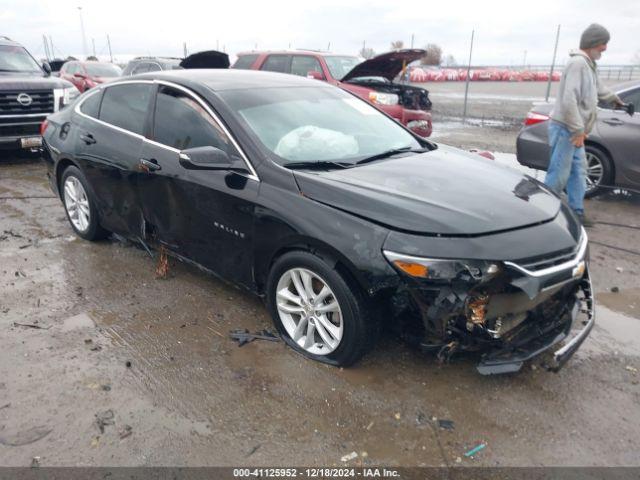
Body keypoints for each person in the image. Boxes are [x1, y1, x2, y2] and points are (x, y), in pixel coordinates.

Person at [545, 23, 624, 226]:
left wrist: (614, 99)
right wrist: (578, 129)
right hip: (567, 129)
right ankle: (544, 214)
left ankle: (576, 212)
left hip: (574, 130)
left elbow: (598, 87)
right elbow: (569, 99)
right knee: (559, 173)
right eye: (603, 44)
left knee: (579, 171)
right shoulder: (578, 64)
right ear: (593, 42)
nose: (605, 48)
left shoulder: (589, 65)